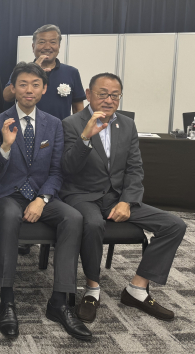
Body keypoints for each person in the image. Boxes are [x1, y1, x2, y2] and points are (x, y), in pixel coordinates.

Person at [61, 72, 186, 324]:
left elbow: (135, 169)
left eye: (115, 95)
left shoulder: (127, 125)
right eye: (102, 94)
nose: (109, 100)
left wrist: (127, 201)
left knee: (174, 225)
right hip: (82, 195)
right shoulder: (71, 123)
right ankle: (92, 289)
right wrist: (86, 137)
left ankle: (137, 289)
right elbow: (68, 169)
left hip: (117, 197)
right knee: (93, 223)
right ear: (88, 94)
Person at [0, 62, 91, 341]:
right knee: (8, 216)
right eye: (23, 84)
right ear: (13, 88)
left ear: (44, 89)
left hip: (40, 194)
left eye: (35, 85)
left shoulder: (54, 124)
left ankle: (59, 300)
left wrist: (42, 199)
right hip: (8, 194)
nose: (29, 90)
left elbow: (57, 171)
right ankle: (7, 299)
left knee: (73, 217)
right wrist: (6, 147)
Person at [3, 24, 85, 121]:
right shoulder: (21, 71)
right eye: (42, 42)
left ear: (59, 46)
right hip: (27, 127)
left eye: (53, 42)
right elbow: (7, 97)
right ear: (33, 46)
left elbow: (78, 108)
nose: (47, 47)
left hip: (61, 129)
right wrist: (34, 70)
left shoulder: (71, 72)